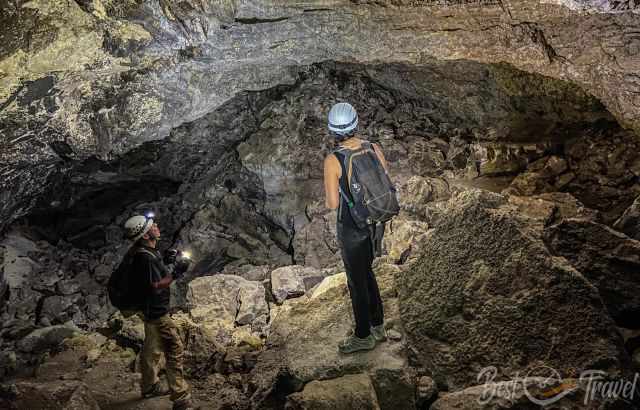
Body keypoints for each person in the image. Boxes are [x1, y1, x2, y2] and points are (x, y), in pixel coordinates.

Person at [323, 102, 388, 354]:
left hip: (352, 227)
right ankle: (378, 325)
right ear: (355, 123)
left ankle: (363, 335)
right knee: (368, 271)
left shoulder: (333, 160)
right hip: (375, 223)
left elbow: (332, 203)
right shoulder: (374, 147)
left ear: (332, 130)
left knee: (356, 281)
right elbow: (383, 178)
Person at [123, 214, 195, 410]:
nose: (156, 226)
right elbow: (155, 285)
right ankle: (181, 398)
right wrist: (177, 272)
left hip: (147, 311)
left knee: (151, 349)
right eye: (152, 226)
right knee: (174, 349)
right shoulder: (144, 258)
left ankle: (149, 386)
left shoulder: (143, 251)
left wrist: (164, 259)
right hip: (157, 312)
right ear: (146, 235)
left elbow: (149, 274)